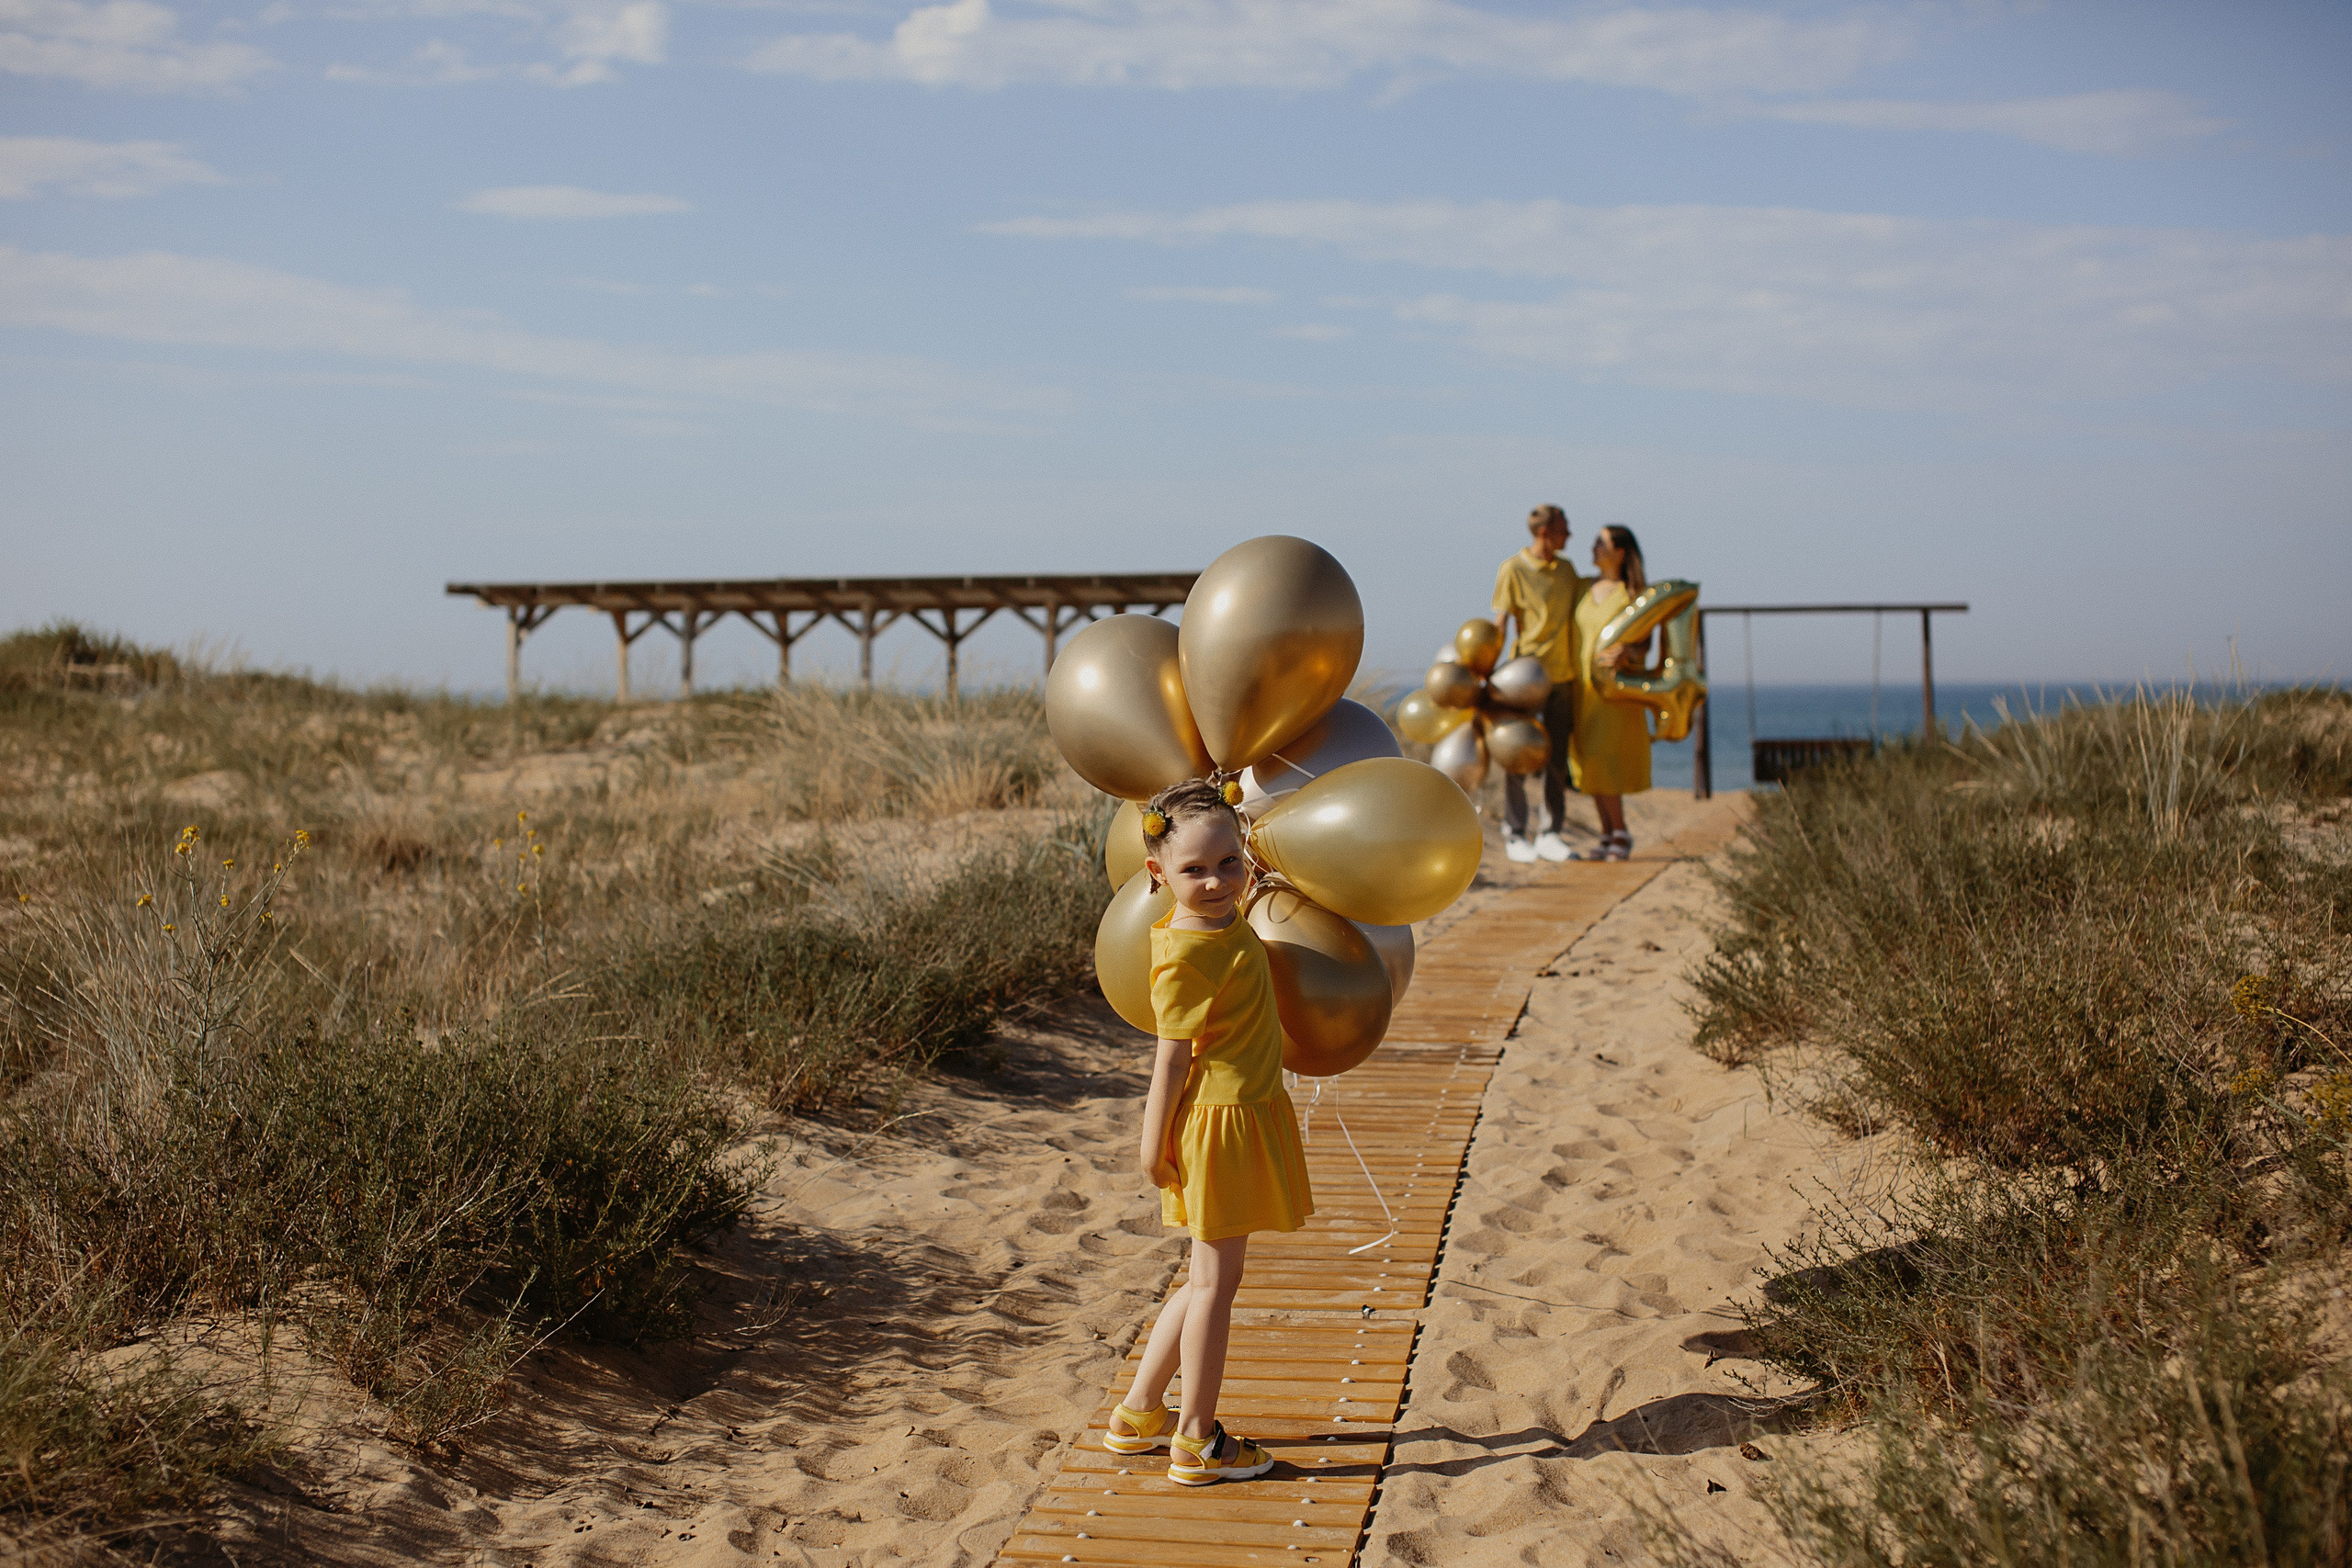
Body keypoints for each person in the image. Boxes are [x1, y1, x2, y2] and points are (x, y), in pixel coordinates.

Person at [1102, 777, 1313, 1485]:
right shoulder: (1186, 951)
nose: (1217, 881)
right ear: (1158, 872)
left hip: (1242, 1109)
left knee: (1201, 1280)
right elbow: (1170, 1058)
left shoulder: (1222, 918)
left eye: (1229, 862)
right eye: (1194, 869)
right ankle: (1196, 1439)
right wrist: (1151, 1144)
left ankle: (1138, 1411)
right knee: (1218, 1286)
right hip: (1220, 1124)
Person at [1491, 503, 1586, 863]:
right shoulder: (1512, 569)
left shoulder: (1567, 570)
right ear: (1545, 532)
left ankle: (1550, 834)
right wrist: (1487, 673)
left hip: (1562, 678)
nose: (1570, 535)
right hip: (1525, 678)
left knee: (1557, 759)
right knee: (1516, 754)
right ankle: (1515, 834)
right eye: (1564, 528)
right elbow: (1500, 624)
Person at [1569, 525, 1658, 860]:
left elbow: (1646, 642)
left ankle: (1620, 830)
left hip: (1614, 690)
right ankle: (1607, 831)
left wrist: (1628, 652)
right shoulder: (1582, 587)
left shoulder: (1633, 593)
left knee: (1604, 756)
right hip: (1582, 688)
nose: (1593, 547)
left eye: (1601, 542)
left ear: (1620, 552)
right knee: (1588, 758)